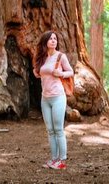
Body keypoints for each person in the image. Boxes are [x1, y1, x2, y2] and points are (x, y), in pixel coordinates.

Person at [33, 30, 74, 170]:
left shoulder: (60, 57)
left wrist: (61, 73)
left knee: (58, 129)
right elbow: (40, 73)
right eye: (50, 39)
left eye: (55, 39)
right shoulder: (42, 57)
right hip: (45, 98)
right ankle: (54, 158)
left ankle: (62, 161)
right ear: (45, 42)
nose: (53, 41)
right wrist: (37, 72)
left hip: (58, 97)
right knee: (50, 130)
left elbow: (71, 71)